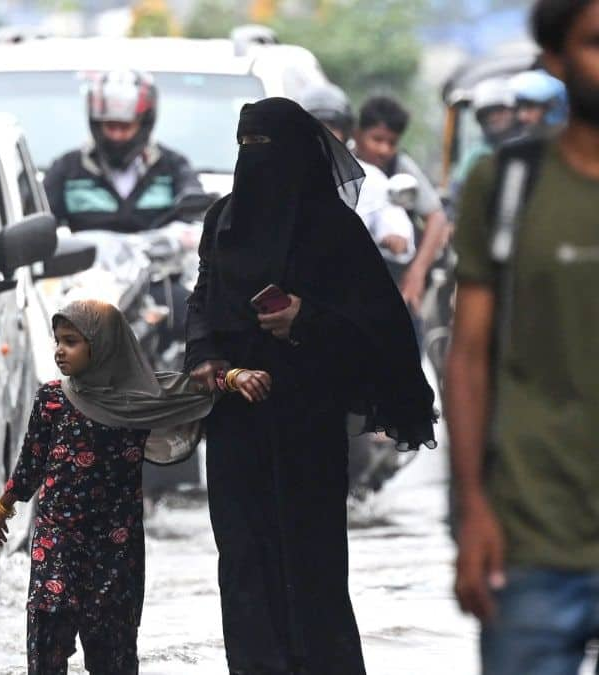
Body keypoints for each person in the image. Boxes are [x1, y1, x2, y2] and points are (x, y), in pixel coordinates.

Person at [185, 97, 437, 674]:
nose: (256, 159)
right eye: (246, 146)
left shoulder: (331, 229)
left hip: (307, 418)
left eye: (267, 147)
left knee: (311, 558)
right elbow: (202, 298)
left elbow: (378, 325)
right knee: (243, 557)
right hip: (235, 415)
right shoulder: (222, 219)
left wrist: (306, 318)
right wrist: (204, 354)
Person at [0, 298, 271, 675]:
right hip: (57, 537)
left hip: (115, 545)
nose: (59, 350)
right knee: (47, 628)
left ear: (102, 345)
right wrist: (3, 507)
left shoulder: (137, 403)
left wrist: (235, 377)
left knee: (112, 648)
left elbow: (195, 389)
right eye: (57, 341)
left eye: (71, 341)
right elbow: (31, 461)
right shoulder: (52, 399)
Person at [447, 1, 599, 673]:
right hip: (531, 537)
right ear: (557, 61)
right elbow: (469, 357)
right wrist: (472, 513)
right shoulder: (504, 183)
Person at [42, 69, 202, 348]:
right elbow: (40, 223)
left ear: (144, 123)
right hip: (87, 282)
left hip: (155, 280)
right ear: (95, 123)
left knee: (195, 320)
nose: (117, 135)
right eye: (110, 125)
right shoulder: (67, 169)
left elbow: (196, 207)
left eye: (125, 126)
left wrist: (179, 234)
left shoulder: (172, 166)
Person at [298, 82, 415, 269]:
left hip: (348, 280)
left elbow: (394, 223)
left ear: (346, 132)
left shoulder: (371, 179)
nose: (323, 136)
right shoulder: (276, 177)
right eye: (315, 129)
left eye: (332, 128)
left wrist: (395, 237)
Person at [354, 96, 454, 312]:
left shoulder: (400, 167)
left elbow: (436, 217)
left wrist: (416, 273)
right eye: (377, 139)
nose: (384, 150)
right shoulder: (343, 165)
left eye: (391, 142)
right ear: (358, 134)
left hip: (393, 274)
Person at [451, 78, 520, 189]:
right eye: (488, 113)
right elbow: (458, 190)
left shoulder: (526, 148)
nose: (494, 117)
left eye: (499, 110)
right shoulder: (477, 154)